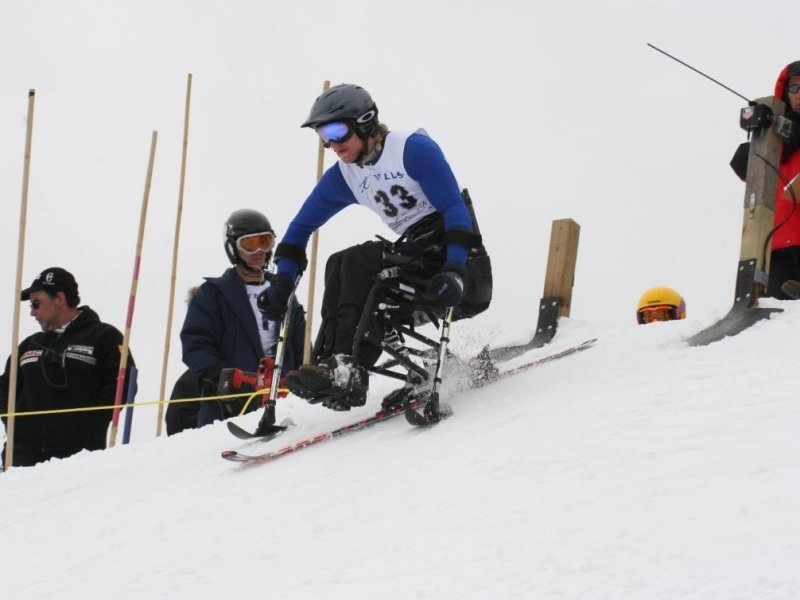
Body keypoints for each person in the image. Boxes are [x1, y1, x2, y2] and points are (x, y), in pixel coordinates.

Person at [258, 83, 491, 411]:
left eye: (338, 131)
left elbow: (455, 210)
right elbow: (298, 230)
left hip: (458, 264)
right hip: (414, 257)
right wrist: (282, 282)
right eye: (323, 136)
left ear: (365, 122)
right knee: (338, 262)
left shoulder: (412, 150)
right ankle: (333, 366)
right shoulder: (346, 176)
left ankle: (350, 371)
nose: (332, 144)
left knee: (361, 260)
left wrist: (454, 269)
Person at [180, 209, 305, 427]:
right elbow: (196, 343)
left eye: (265, 242)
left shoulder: (284, 291)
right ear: (233, 248)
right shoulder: (213, 294)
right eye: (249, 244)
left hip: (284, 402)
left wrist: (304, 376)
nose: (258, 251)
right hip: (230, 406)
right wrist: (217, 376)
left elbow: (302, 344)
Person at [0, 267, 134, 467]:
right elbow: (6, 387)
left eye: (36, 304)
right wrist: (15, 424)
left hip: (78, 454)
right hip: (23, 454)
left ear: (60, 299)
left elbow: (121, 385)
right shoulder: (30, 344)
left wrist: (86, 421)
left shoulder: (104, 337)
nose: (32, 312)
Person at [730, 60, 800, 299]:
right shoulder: (775, 143)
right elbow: (747, 169)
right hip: (776, 247)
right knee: (775, 322)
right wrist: (762, 135)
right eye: (794, 88)